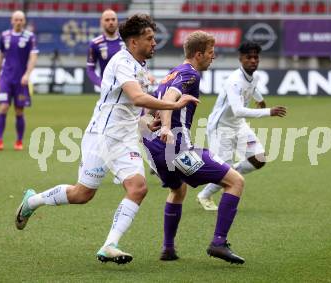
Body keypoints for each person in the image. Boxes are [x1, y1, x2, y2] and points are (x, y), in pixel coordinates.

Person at [14, 14, 199, 265]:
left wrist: (148, 123)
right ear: (133, 42)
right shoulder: (121, 61)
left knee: (138, 188)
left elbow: (136, 111)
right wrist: (173, 104)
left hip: (124, 140)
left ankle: (110, 244)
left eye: (154, 38)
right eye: (149, 38)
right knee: (82, 194)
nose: (154, 43)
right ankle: (32, 201)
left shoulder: (141, 67)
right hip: (101, 136)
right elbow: (137, 98)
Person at [142, 31, 246, 264]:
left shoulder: (172, 72)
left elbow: (151, 104)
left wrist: (151, 123)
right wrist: (167, 127)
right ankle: (218, 242)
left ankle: (168, 248)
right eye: (210, 53)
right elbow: (169, 99)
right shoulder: (190, 75)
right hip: (176, 148)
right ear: (199, 54)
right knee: (235, 181)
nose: (213, 57)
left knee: (178, 190)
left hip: (154, 148)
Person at [196, 41, 287, 211]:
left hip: (238, 125)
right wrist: (268, 111)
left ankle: (233, 170)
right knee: (224, 171)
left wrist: (259, 99)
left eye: (256, 57)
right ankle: (204, 195)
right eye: (249, 57)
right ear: (241, 59)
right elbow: (238, 110)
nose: (253, 60)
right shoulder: (234, 81)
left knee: (259, 159)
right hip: (220, 127)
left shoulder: (254, 76)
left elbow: (252, 86)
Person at [0, 10, 38, 151]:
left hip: (21, 80)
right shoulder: (5, 36)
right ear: (11, 21)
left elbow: (33, 57)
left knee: (19, 111)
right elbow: (1, 55)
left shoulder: (30, 37)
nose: (18, 22)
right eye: (16, 19)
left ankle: (19, 141)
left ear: (24, 21)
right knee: (4, 107)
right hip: (6, 78)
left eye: (21, 19)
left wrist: (27, 74)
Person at [86, 9, 123, 88]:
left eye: (113, 19)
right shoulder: (95, 43)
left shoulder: (126, 41)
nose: (111, 22)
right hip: (107, 89)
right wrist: (100, 83)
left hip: (127, 87)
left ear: (117, 21)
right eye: (107, 20)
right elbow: (90, 69)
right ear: (101, 22)